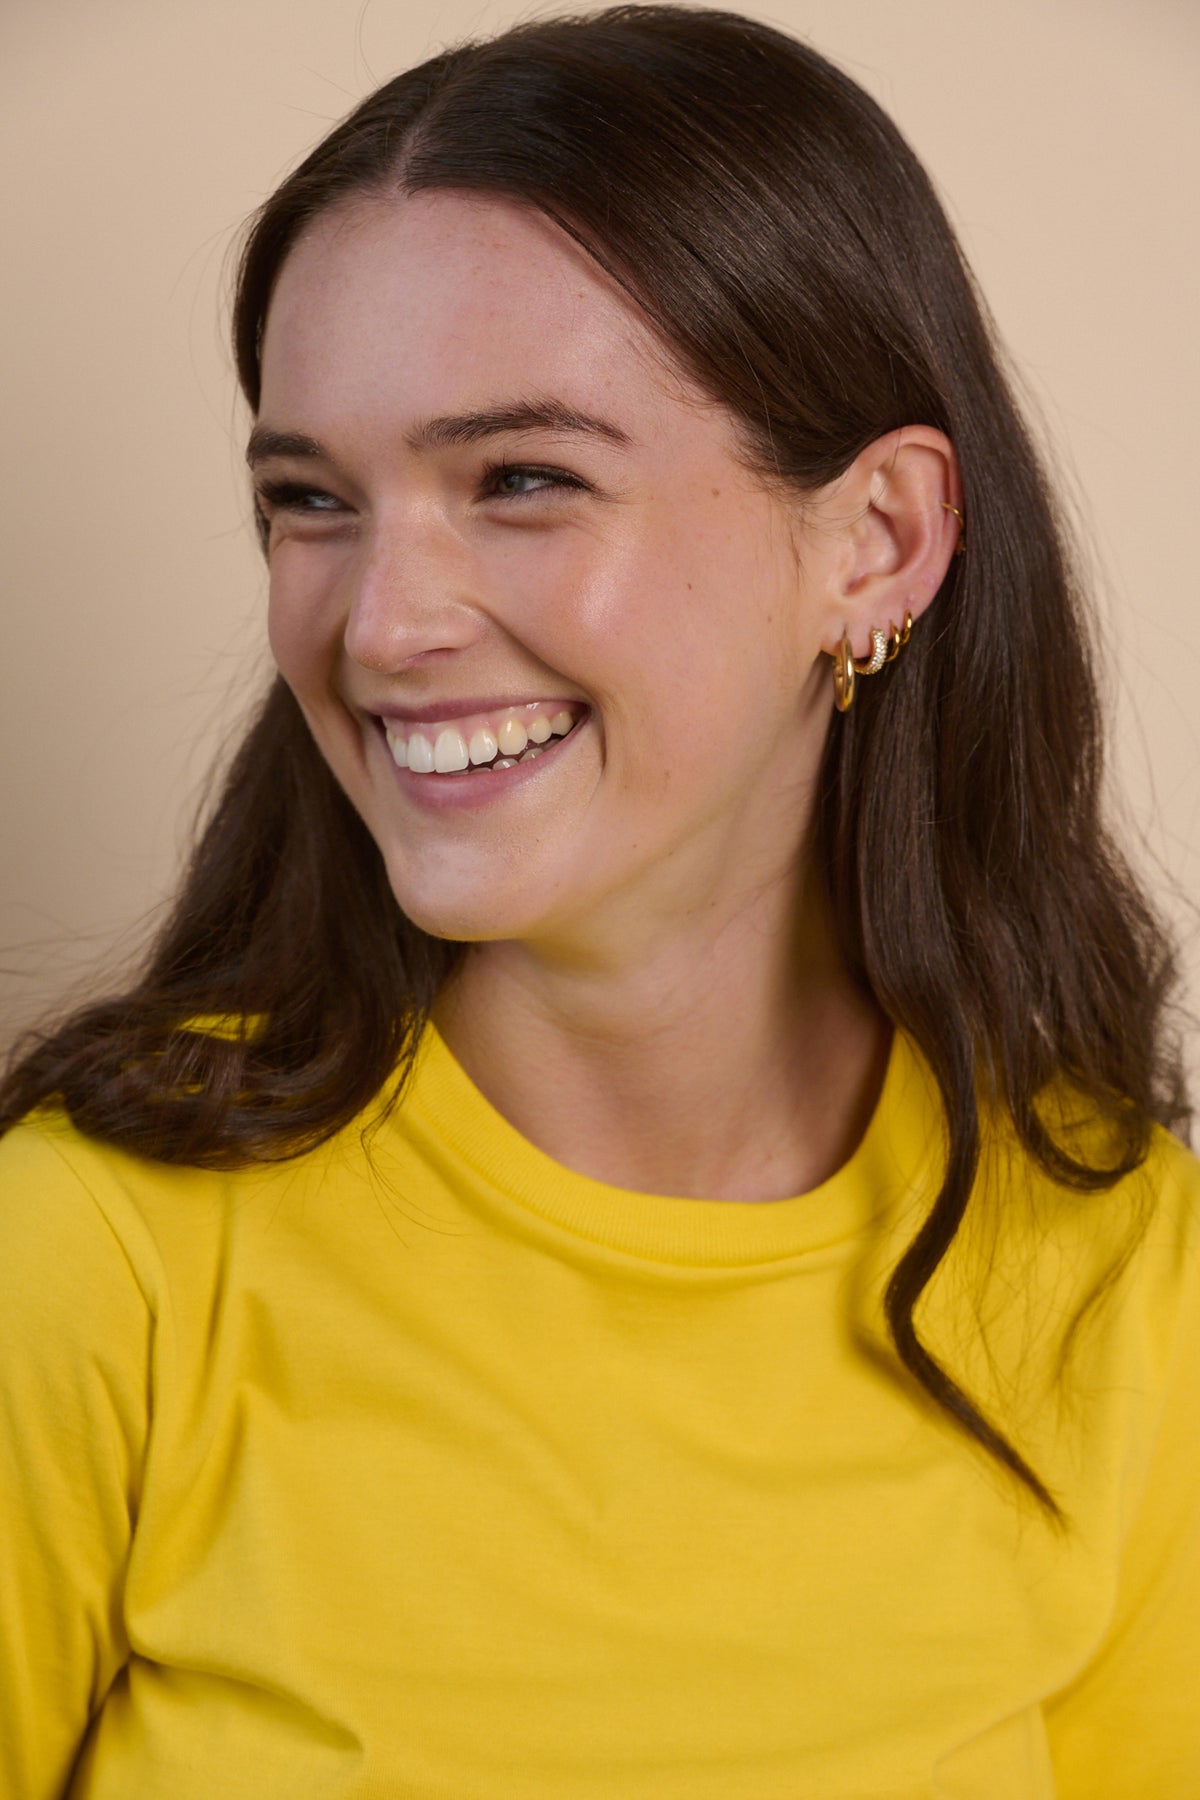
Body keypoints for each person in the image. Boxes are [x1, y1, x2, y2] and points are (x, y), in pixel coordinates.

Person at [1, 5, 1196, 1794]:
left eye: (526, 480)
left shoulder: (1121, 1266)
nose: (380, 624)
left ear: (873, 539)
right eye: (311, 499)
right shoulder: (91, 1256)